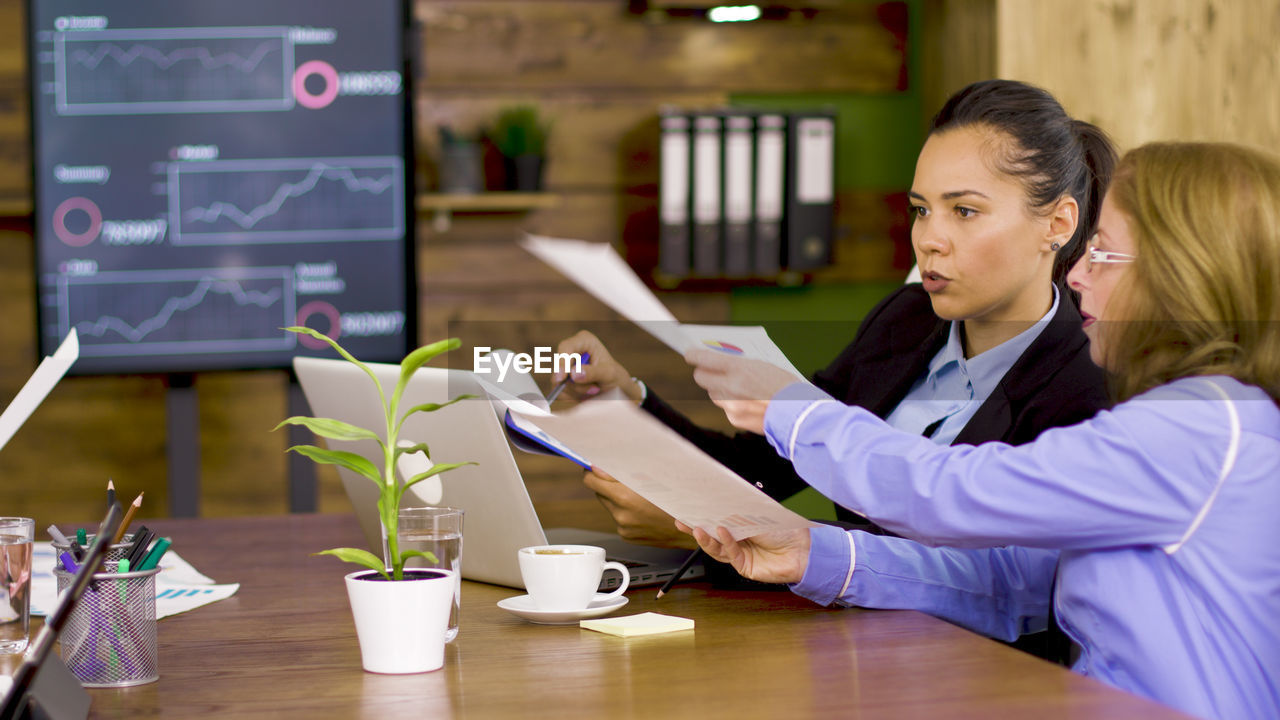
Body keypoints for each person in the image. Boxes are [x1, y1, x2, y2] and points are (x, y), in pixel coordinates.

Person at [680, 141, 1280, 720]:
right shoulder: (1197, 421)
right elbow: (1014, 583)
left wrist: (795, 409)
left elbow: (954, 491)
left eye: (1102, 254)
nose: (1077, 276)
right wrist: (816, 553)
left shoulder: (1196, 433)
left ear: (1180, 275)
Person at [555, 80, 1113, 660]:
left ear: (1058, 224)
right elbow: (764, 468)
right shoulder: (906, 321)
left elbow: (1003, 589)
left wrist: (700, 530)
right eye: (921, 210)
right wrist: (632, 400)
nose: (930, 240)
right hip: (844, 651)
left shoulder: (1088, 380)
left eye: (965, 211)